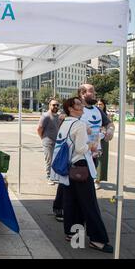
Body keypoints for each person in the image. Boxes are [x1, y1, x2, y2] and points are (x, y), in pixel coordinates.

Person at [50, 97, 113, 253]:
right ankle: (97, 239)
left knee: (71, 201)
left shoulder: (65, 123)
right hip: (80, 167)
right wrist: (92, 147)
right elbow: (80, 149)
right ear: (71, 108)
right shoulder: (78, 124)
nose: (82, 106)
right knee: (89, 204)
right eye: (78, 104)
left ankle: (72, 232)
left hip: (68, 168)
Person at [77, 84, 114, 190]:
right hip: (78, 157)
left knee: (88, 187)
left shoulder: (97, 110)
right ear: (82, 93)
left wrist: (110, 130)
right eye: (91, 91)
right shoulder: (74, 108)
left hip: (93, 155)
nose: (95, 94)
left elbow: (109, 124)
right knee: (78, 187)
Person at [37, 98, 61, 185]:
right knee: (49, 160)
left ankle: (54, 176)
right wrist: (43, 138)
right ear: (49, 105)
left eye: (57, 105)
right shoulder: (46, 116)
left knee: (56, 160)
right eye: (53, 105)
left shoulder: (58, 116)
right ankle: (49, 177)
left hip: (57, 142)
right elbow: (39, 129)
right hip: (48, 142)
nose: (55, 106)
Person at [96, 99, 110, 189]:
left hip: (103, 139)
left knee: (101, 159)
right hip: (95, 138)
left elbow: (110, 125)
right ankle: (93, 178)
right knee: (94, 158)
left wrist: (108, 131)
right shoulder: (95, 113)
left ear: (104, 105)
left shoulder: (107, 115)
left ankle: (98, 180)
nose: (99, 106)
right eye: (97, 104)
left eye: (100, 104)